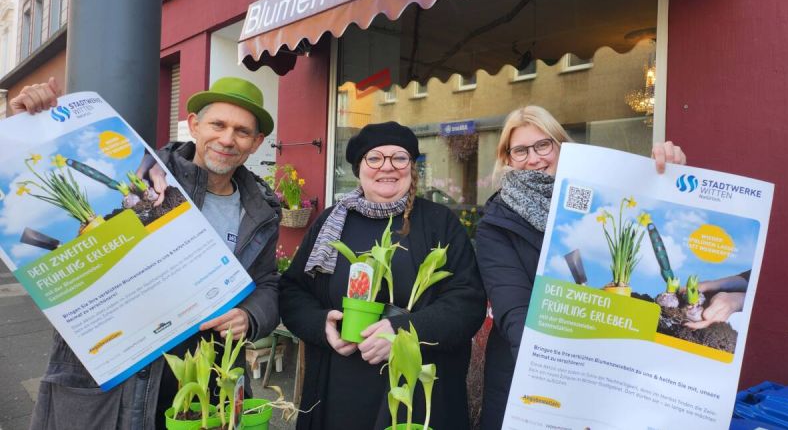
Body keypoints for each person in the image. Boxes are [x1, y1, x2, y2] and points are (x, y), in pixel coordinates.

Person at [9, 76, 282, 429]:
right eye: (218, 124)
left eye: (242, 131)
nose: (228, 139)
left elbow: (268, 283)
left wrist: (251, 314)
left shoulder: (260, 211)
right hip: (121, 376)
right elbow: (46, 180)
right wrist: (24, 122)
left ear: (257, 142)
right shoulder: (147, 176)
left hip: (204, 381)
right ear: (195, 125)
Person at [475, 105, 686, 430]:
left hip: (607, 375)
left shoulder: (601, 199)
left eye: (543, 145)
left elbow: (652, 212)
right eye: (520, 150)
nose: (534, 158)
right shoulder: (497, 224)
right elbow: (514, 312)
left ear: (561, 146)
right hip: (532, 379)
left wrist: (668, 173)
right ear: (507, 159)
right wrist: (568, 373)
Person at [279, 121, 486, 430]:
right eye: (374, 158)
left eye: (399, 158)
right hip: (339, 390)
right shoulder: (332, 222)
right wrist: (322, 324)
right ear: (359, 167)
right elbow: (293, 291)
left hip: (418, 390)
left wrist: (402, 332)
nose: (387, 167)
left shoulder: (439, 222)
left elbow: (467, 301)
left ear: (412, 167)